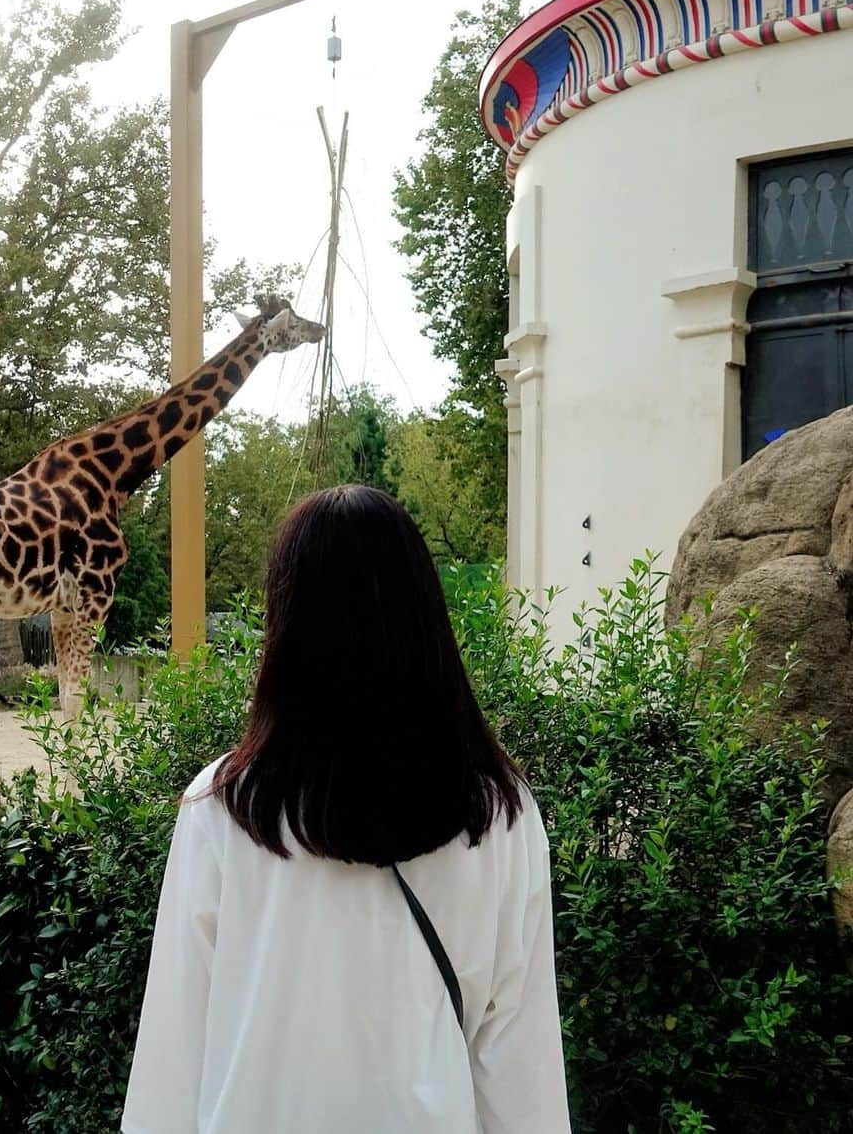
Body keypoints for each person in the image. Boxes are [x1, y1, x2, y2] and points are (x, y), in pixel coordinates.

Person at [121, 485, 571, 1133]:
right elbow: (520, 1068)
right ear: (425, 616)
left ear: (286, 625)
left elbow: (173, 1060)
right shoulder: (500, 816)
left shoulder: (222, 811)